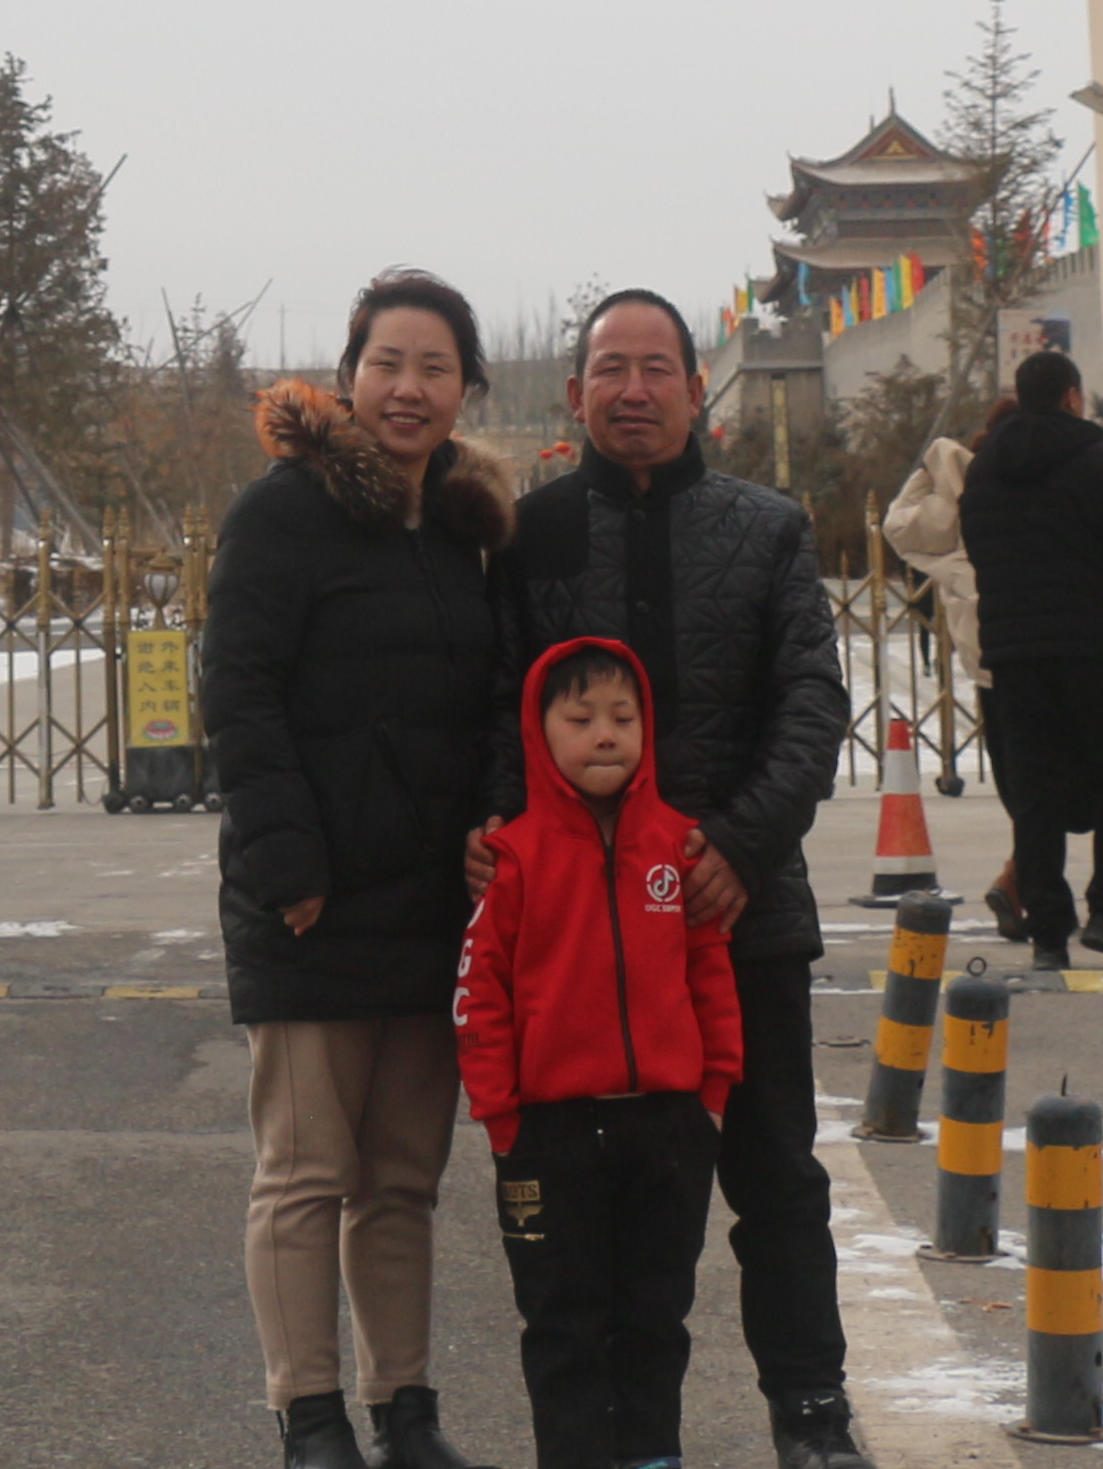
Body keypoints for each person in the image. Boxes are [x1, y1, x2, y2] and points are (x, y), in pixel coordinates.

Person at [481, 290, 871, 1469]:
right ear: (576, 393)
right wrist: (496, 829)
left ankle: (811, 1414)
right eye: (612, 369)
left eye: (658, 368)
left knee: (776, 1185)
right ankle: (612, 1441)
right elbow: (495, 713)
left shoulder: (766, 529)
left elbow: (812, 703)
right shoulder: (531, 535)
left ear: (699, 390)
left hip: (735, 921)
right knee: (601, 1234)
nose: (635, 390)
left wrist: (739, 848)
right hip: (576, 951)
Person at [210, 272, 519, 1469]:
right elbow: (238, 693)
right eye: (389, 363)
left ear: (463, 389)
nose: (409, 388)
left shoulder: (464, 531)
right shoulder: (282, 516)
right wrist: (287, 859)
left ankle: (408, 1410)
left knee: (401, 1177)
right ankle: (310, 1415)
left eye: (435, 367)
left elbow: (491, 702)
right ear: (350, 375)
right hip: (314, 899)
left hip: (435, 904)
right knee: (303, 1172)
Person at [459, 638, 742, 1469]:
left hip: (667, 1126)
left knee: (656, 1313)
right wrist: (502, 1120)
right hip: (548, 1134)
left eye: (623, 717)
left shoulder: (679, 846)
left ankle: (652, 1454)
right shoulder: (512, 859)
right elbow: (479, 999)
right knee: (563, 1321)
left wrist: (713, 1095)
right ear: (539, 732)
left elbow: (710, 974)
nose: (605, 735)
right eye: (580, 719)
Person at [958, 351, 1103, 968]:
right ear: (1073, 396)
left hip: (1015, 657)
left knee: (1036, 792)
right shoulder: (1100, 462)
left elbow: (978, 551)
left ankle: (1048, 931)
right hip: (1095, 652)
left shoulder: (985, 470)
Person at [871, 426, 1010, 934]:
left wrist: (923, 476)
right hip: (1048, 645)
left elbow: (898, 526)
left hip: (988, 648)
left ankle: (1024, 876)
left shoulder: (955, 501)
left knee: (1016, 771)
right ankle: (1030, 878)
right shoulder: (1024, 493)